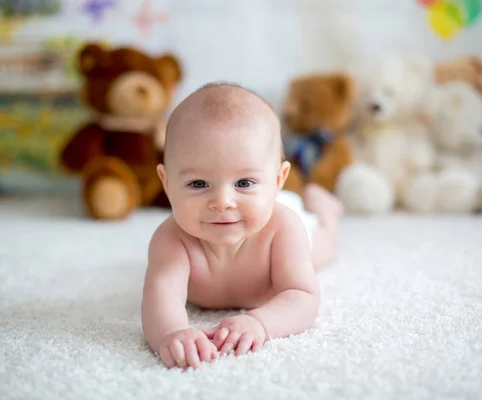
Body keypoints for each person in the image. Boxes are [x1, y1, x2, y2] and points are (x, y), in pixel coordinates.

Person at [141, 82, 343, 369]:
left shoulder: (284, 228)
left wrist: (260, 323)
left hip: (278, 213)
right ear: (167, 182)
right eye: (198, 183)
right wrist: (172, 333)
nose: (222, 202)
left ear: (277, 180)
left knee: (323, 248)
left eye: (243, 182)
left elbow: (303, 297)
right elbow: (161, 296)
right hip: (256, 206)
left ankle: (325, 207)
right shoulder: (170, 239)